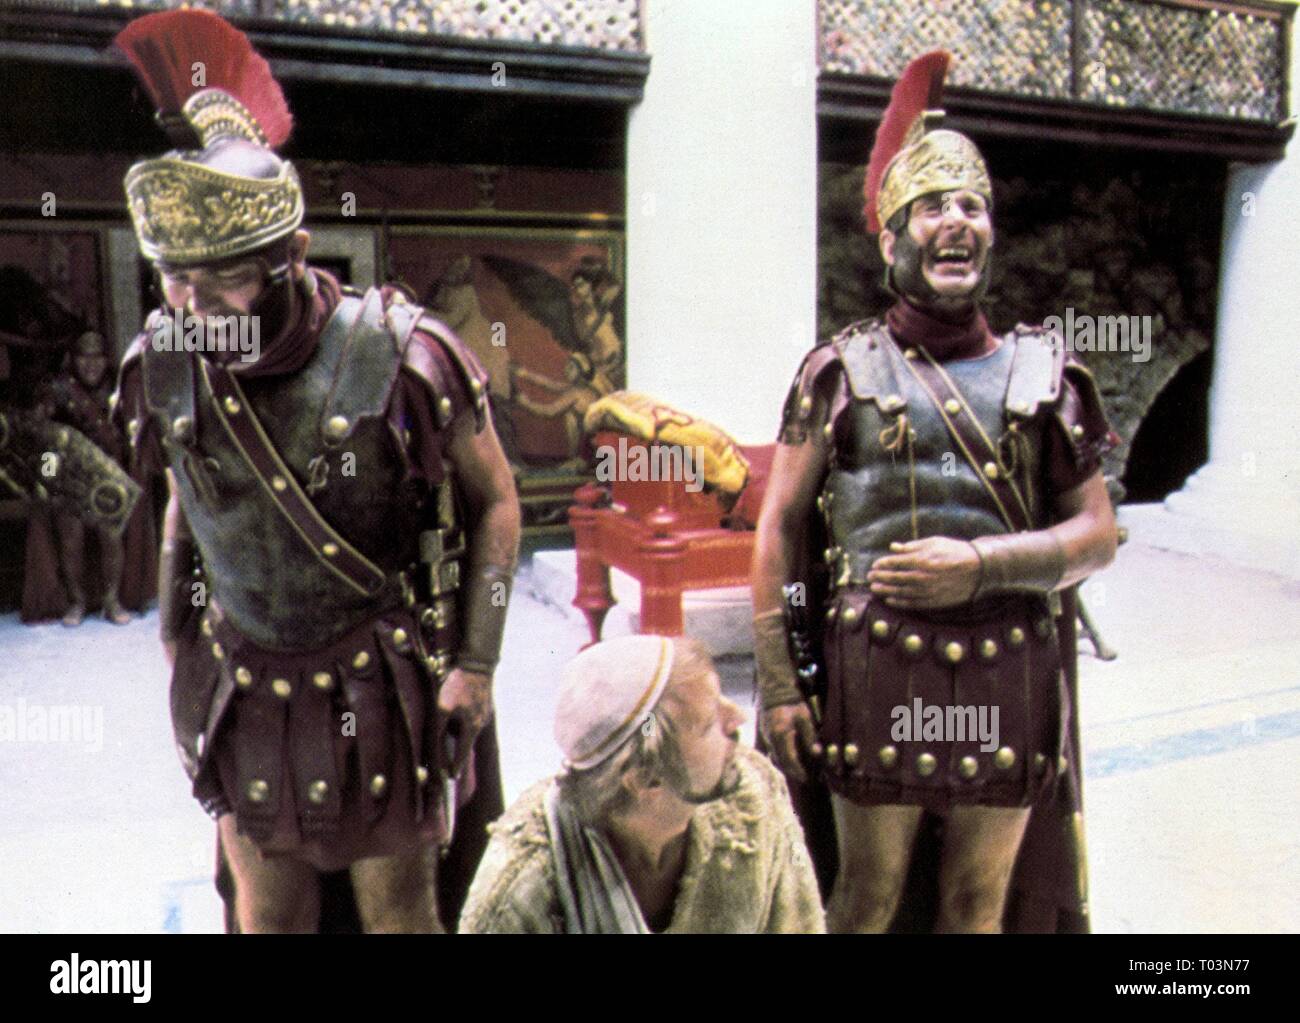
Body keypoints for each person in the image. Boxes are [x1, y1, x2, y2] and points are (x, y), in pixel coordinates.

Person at [111, 9, 520, 932]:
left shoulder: (404, 354)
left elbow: (497, 502)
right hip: (245, 685)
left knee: (400, 919)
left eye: (221, 279)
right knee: (269, 918)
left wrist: (479, 662)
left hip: (379, 684)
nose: (192, 304)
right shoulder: (166, 358)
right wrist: (177, 640)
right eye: (174, 278)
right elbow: (188, 503)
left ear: (291, 256)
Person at [751, 50, 1118, 934]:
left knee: (974, 905)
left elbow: (1099, 533)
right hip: (873, 666)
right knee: (865, 900)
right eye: (931, 208)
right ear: (890, 239)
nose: (956, 222)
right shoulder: (836, 372)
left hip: (1009, 663)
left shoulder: (1047, 372)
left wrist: (986, 565)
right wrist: (781, 683)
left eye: (972, 206)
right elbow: (778, 530)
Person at [459, 635, 825, 933]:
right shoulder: (521, 888)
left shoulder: (754, 798)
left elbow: (801, 925)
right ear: (646, 779)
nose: (738, 717)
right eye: (708, 724)